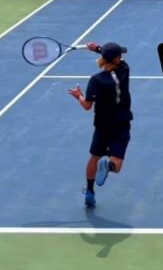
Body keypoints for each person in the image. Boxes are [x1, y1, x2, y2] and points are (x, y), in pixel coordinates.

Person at [67, 42, 131, 208]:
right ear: (117, 58)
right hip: (121, 123)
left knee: (94, 158)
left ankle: (89, 191)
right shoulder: (124, 70)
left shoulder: (96, 80)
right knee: (117, 163)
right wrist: (96, 48)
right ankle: (109, 166)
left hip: (103, 125)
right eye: (120, 55)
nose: (122, 57)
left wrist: (78, 96)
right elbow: (116, 59)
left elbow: (87, 106)